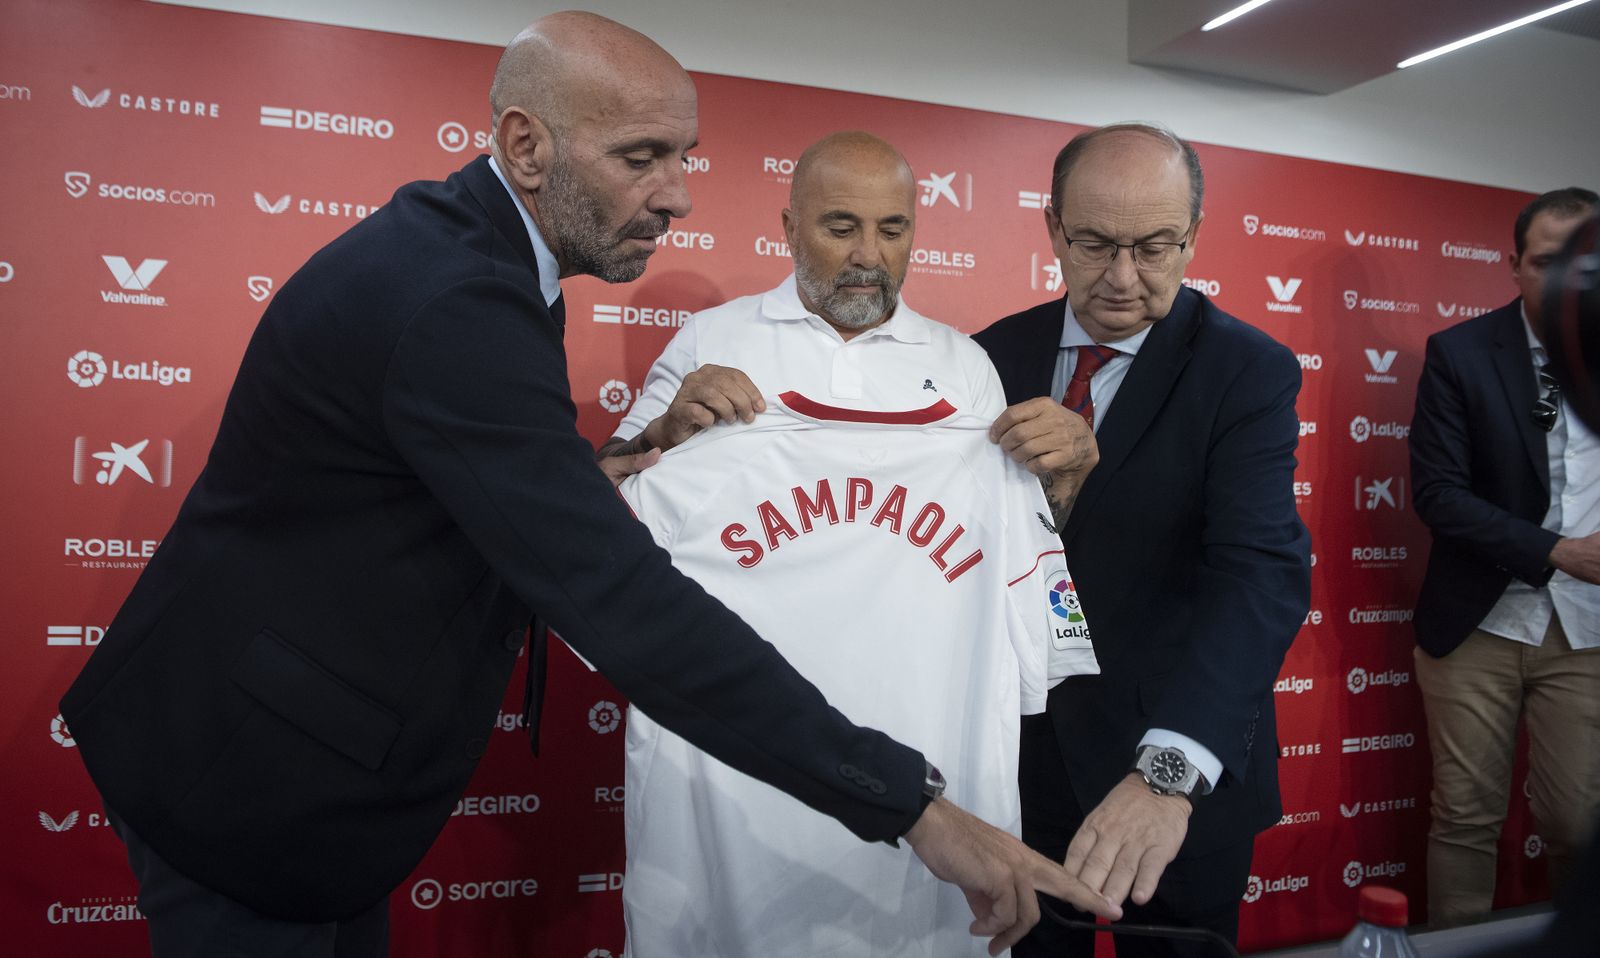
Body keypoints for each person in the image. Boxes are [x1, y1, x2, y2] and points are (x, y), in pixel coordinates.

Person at [58, 14, 1115, 957]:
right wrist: (915, 807)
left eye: (682, 156)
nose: (679, 194)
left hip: (299, 759)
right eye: (641, 157)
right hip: (247, 774)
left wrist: (630, 453)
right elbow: (621, 600)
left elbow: (477, 475)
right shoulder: (455, 302)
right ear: (526, 145)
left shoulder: (481, 257)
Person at [603, 131, 1100, 956]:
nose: (869, 255)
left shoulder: (966, 368)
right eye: (841, 227)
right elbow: (605, 507)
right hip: (737, 776)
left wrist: (1064, 480)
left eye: (893, 228)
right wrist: (666, 429)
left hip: (929, 764)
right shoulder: (708, 342)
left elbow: (1018, 540)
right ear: (789, 226)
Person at [971, 123, 1312, 956]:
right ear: (1051, 228)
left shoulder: (1247, 370)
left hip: (1178, 777)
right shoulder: (988, 355)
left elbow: (1259, 577)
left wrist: (1169, 774)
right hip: (1020, 770)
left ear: (1193, 236)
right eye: (1092, 243)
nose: (1123, 277)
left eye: (1155, 246)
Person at [1408, 187, 1600, 930]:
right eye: (1547, 263)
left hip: (1588, 635)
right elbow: (1439, 494)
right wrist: (1557, 553)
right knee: (1463, 819)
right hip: (1477, 625)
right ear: (1513, 265)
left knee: (1579, 827)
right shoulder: (1460, 353)